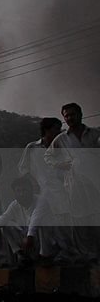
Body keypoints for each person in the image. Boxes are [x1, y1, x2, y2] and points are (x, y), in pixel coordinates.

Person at [45, 103, 100, 262]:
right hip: (74, 185)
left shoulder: (94, 134)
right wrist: (59, 165)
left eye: (72, 114)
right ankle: (86, 254)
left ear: (80, 114)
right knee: (79, 220)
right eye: (66, 116)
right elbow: (48, 157)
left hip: (95, 183)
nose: (69, 118)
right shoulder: (61, 139)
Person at [19, 118, 74, 263]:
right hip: (41, 192)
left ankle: (64, 253)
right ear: (47, 130)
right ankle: (44, 254)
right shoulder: (32, 148)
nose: (59, 132)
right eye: (56, 129)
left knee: (62, 224)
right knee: (41, 224)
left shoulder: (62, 149)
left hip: (61, 192)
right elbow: (23, 169)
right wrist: (32, 183)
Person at [0, 175, 35, 268]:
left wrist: (29, 237)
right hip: (25, 239)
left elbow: (35, 223)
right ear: (14, 193)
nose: (21, 194)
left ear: (30, 190)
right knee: (7, 224)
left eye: (24, 190)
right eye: (18, 191)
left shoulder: (39, 202)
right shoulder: (14, 205)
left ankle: (44, 257)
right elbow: (2, 219)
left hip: (39, 240)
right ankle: (20, 255)